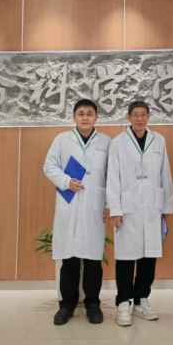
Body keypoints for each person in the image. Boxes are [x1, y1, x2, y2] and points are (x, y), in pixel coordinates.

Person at [42, 99, 112, 326]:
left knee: (93, 260)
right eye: (81, 113)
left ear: (96, 117)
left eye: (89, 113)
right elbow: (49, 166)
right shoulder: (62, 140)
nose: (85, 117)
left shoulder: (106, 142)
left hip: (95, 205)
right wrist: (66, 181)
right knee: (69, 259)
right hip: (69, 204)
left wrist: (110, 203)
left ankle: (93, 304)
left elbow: (113, 175)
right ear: (74, 117)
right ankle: (67, 306)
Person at [106, 100, 173, 327]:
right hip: (127, 208)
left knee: (148, 256)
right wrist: (115, 209)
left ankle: (141, 299)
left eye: (143, 114)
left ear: (149, 116)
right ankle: (123, 302)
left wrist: (166, 207)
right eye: (135, 115)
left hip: (153, 207)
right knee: (126, 256)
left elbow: (165, 174)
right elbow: (112, 177)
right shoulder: (118, 143)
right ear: (128, 117)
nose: (139, 119)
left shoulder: (158, 140)